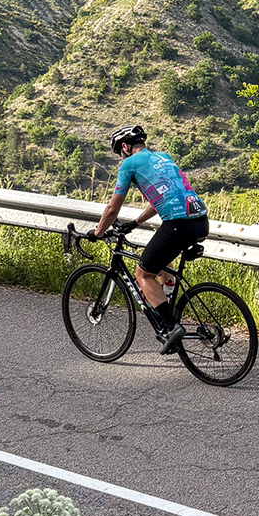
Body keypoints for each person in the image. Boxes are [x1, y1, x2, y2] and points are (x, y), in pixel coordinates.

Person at [90, 124, 209, 355]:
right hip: (200, 220)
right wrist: (135, 223)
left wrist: (98, 232)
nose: (120, 156)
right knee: (161, 265)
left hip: (178, 224)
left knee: (143, 274)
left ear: (125, 147)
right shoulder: (163, 157)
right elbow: (159, 199)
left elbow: (112, 209)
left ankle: (171, 327)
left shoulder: (129, 164)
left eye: (119, 152)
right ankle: (167, 299)